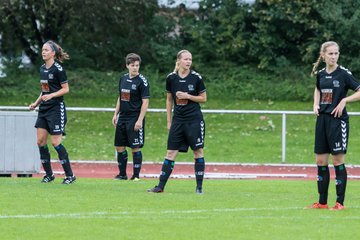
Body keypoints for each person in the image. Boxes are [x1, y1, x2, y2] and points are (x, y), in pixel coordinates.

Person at [307, 41, 360, 210]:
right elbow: (318, 89)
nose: (334, 56)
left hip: (338, 121)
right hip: (322, 120)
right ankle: (322, 202)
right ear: (323, 55)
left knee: (337, 160)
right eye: (330, 53)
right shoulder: (321, 74)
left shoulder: (343, 74)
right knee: (320, 160)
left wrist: (345, 100)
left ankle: (339, 203)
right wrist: (315, 104)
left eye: (336, 53)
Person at [147, 49, 207, 194]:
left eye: (190, 59)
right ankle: (160, 186)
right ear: (179, 61)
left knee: (198, 151)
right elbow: (169, 100)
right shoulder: (171, 78)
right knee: (170, 153)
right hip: (178, 121)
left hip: (194, 120)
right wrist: (169, 121)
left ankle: (199, 187)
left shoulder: (196, 78)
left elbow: (203, 98)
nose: (188, 62)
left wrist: (188, 96)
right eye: (186, 59)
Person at [29, 40, 76, 184]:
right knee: (40, 141)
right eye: (42, 49)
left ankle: (70, 175)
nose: (43, 52)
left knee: (55, 142)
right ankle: (49, 175)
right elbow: (44, 90)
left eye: (46, 50)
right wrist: (36, 103)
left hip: (56, 109)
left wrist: (51, 95)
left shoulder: (58, 69)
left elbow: (65, 89)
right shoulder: (42, 68)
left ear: (53, 53)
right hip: (44, 109)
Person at [112, 53, 150, 181]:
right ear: (127, 66)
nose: (135, 68)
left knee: (135, 146)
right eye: (133, 65)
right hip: (123, 116)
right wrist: (115, 114)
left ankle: (136, 175)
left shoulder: (142, 81)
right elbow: (120, 97)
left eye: (137, 65)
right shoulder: (123, 79)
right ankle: (122, 174)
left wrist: (140, 120)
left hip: (135, 117)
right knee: (119, 146)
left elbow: (145, 102)